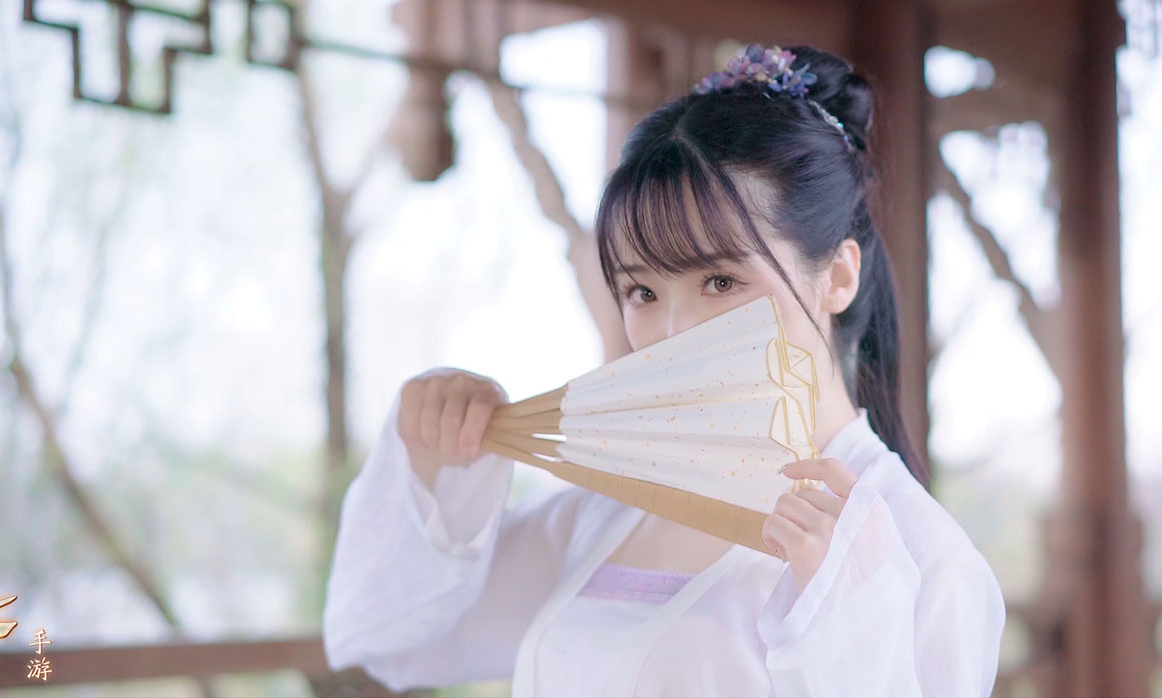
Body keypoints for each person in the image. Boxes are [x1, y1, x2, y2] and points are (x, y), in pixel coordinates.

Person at [323, 44, 1005, 697]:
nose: (676, 333)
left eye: (720, 281)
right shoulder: (613, 504)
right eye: (643, 292)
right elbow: (385, 640)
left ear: (838, 276)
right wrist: (437, 467)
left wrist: (849, 627)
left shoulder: (925, 558)